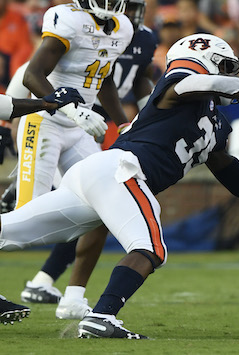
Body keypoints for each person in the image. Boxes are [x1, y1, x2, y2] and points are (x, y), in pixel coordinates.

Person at [0, 32, 239, 339]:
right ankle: (102, 316)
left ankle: (99, 314)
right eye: (222, 66)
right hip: (122, 169)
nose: (229, 78)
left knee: (11, 230)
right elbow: (204, 82)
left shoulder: (217, 125)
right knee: (150, 248)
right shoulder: (179, 83)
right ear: (203, 61)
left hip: (99, 174)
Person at [16, 0, 160, 321]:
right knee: (26, 220)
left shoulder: (122, 27)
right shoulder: (67, 19)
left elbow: (103, 76)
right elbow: (32, 75)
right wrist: (71, 107)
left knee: (100, 208)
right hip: (45, 121)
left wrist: (123, 122)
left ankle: (73, 298)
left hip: (81, 127)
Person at [0, 86, 85, 325]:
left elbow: (6, 104)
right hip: (49, 127)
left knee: (94, 205)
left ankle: (67, 291)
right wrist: (46, 104)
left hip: (73, 130)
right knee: (23, 223)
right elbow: (27, 75)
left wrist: (47, 103)